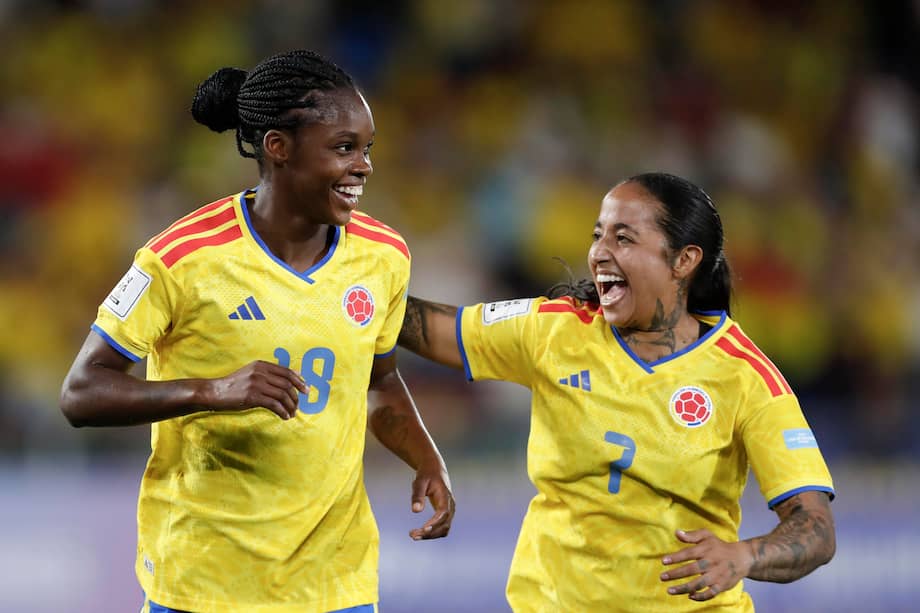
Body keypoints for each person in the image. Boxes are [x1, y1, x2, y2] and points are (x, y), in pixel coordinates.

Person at [59, 49, 455, 613]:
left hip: (334, 584)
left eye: (367, 149)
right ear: (279, 147)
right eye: (344, 148)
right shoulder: (181, 258)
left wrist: (427, 459)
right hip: (204, 583)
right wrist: (212, 390)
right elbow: (80, 392)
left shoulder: (384, 256)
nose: (364, 165)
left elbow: (380, 381)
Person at [398, 172, 835, 612]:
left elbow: (815, 527)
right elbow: (428, 329)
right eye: (597, 235)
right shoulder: (555, 330)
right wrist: (353, 280)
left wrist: (743, 556)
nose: (599, 253)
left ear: (683, 260)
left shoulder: (745, 377)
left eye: (623, 238)